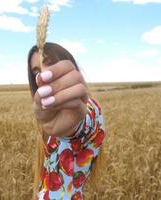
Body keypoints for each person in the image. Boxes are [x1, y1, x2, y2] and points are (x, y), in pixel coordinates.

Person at [27, 42, 105, 200]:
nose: (42, 76)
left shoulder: (89, 108)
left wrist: (74, 122)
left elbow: (81, 123)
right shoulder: (53, 116)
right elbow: (51, 168)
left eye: (49, 65)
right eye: (36, 71)